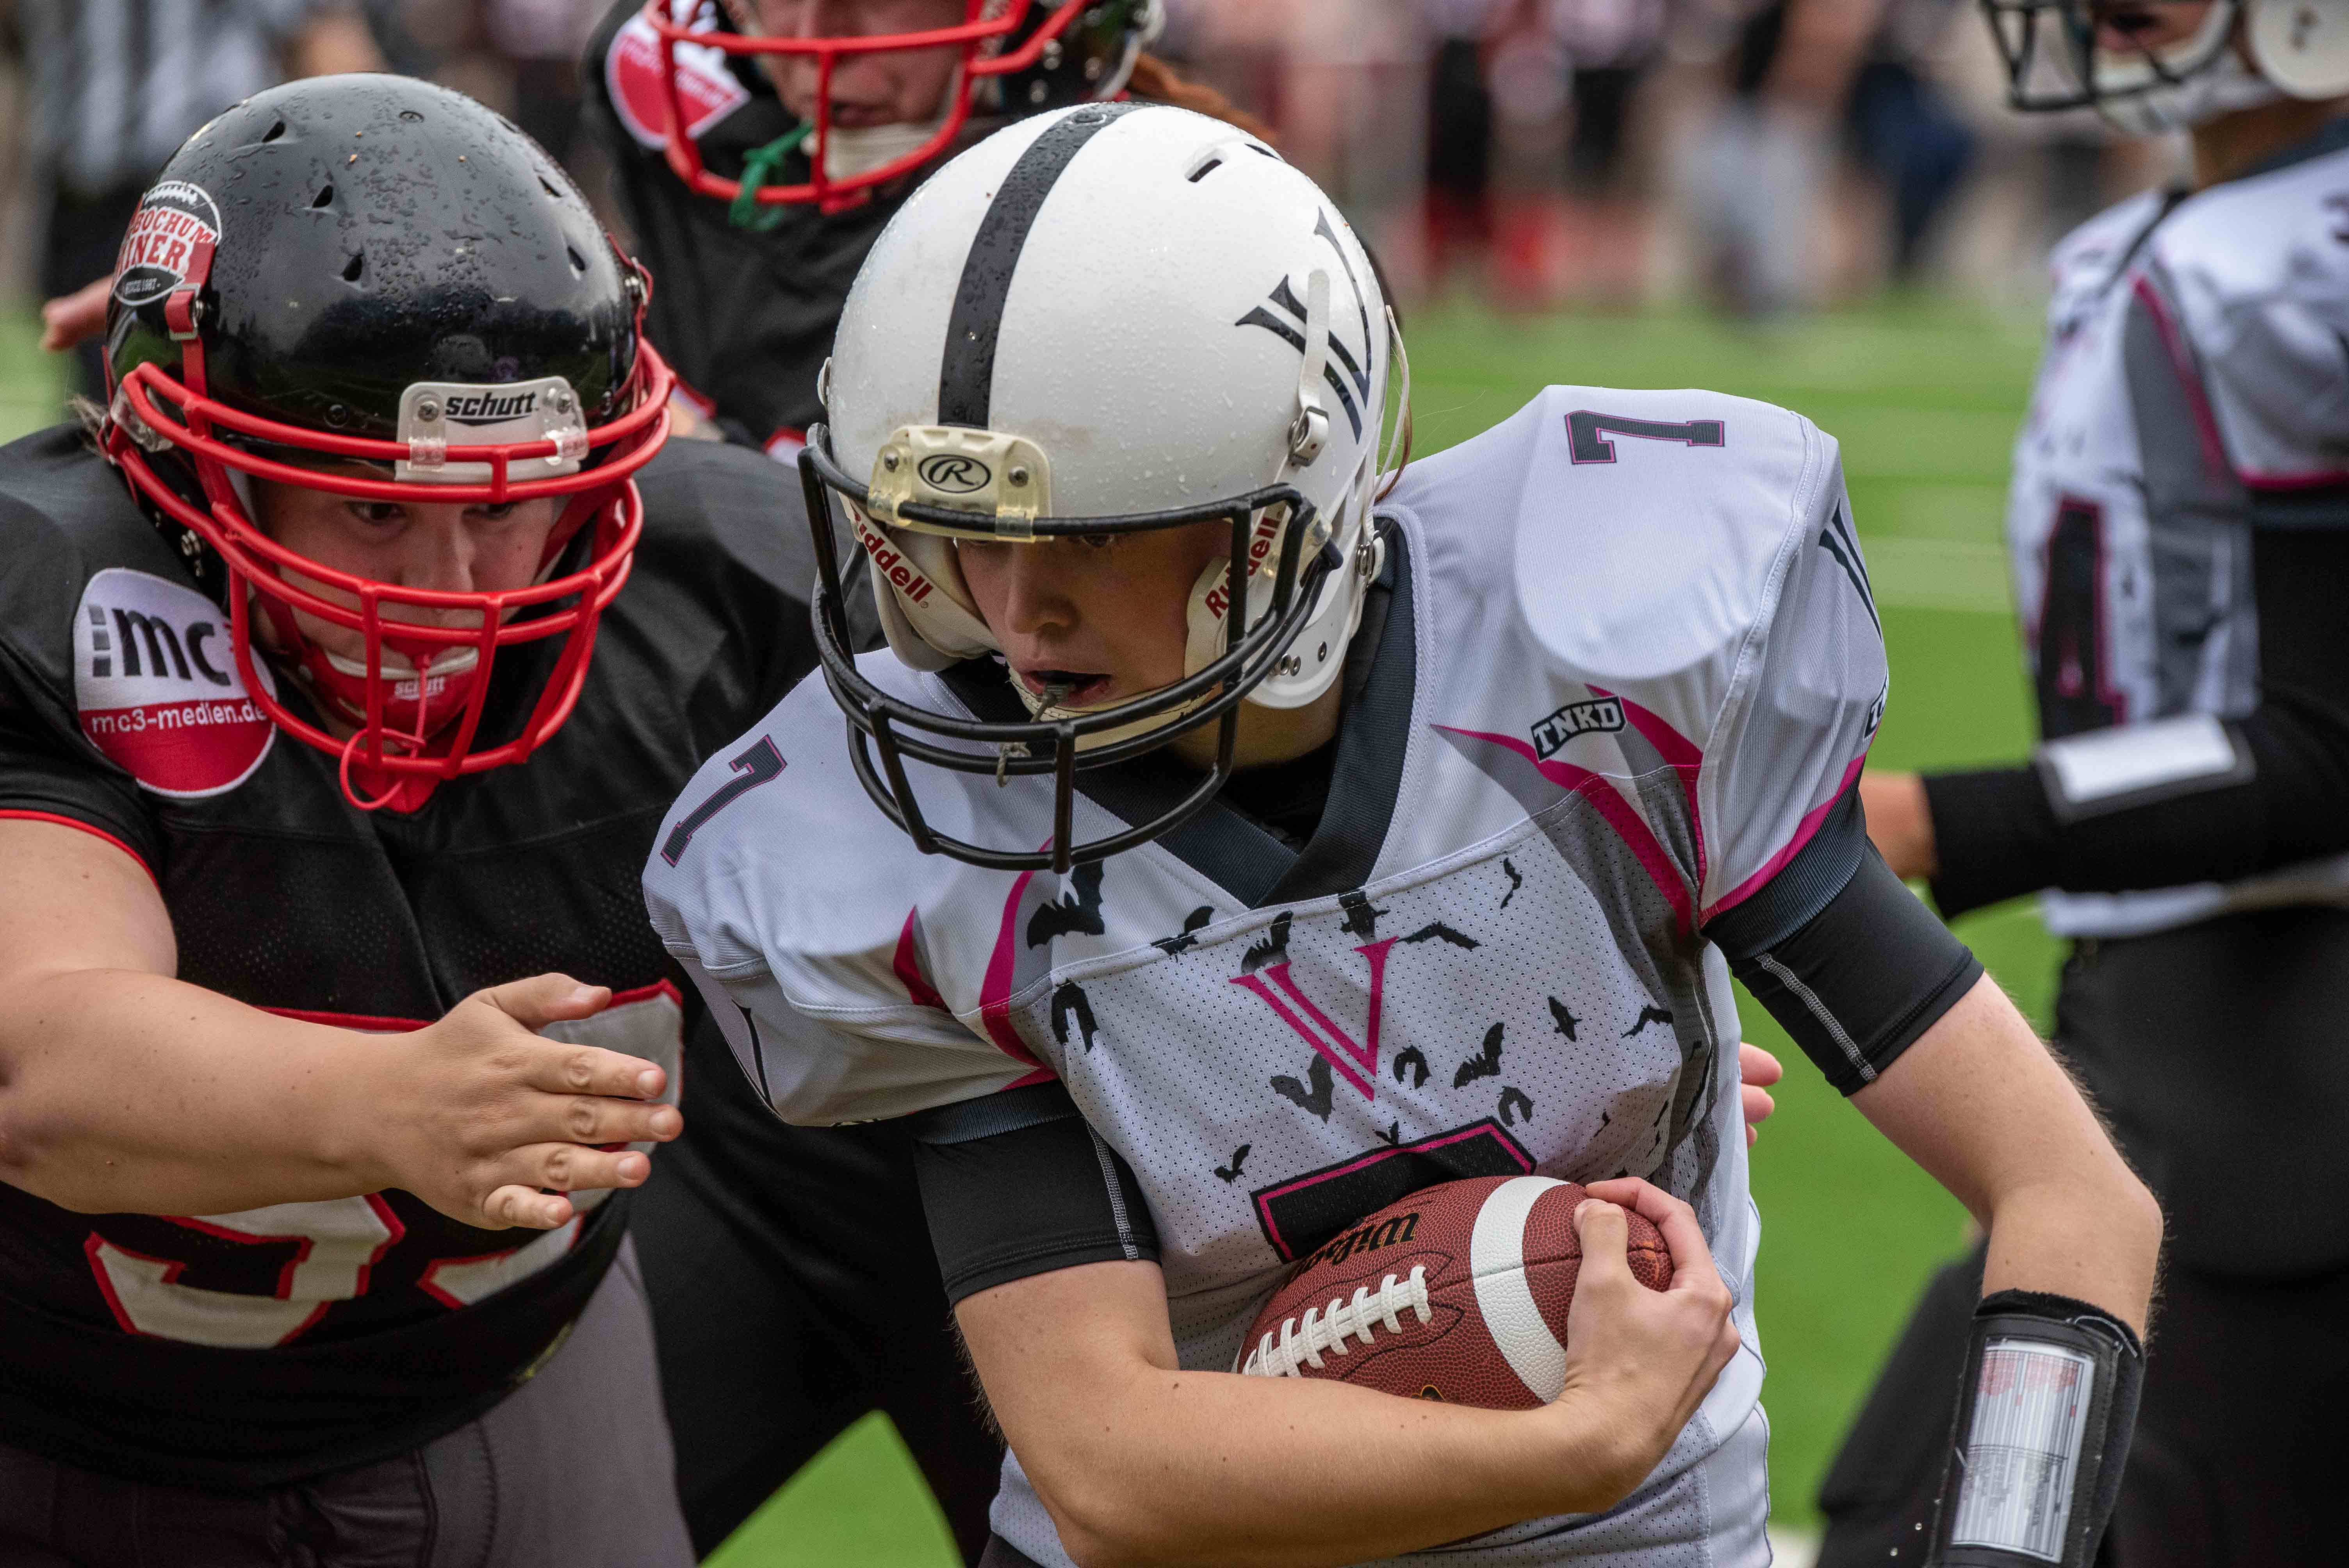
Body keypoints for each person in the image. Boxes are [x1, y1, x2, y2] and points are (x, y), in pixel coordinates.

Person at [646, 102, 2161, 1568]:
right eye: (956, 540)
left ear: (1293, 498)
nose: (1010, 615)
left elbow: (2068, 1194)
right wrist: (1576, 1440)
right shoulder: (904, 836)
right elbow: (1100, 1454)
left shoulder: (1593, 658)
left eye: (1083, 541)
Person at [0, 72, 845, 1566]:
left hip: (505, 1382)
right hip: (57, 1421)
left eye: (505, 500)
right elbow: (39, 1061)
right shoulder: (58, 594)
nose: (456, 592)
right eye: (374, 510)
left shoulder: (718, 582)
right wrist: (396, 1109)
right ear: (186, 466)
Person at [580, 3, 1276, 1553]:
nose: (820, 38)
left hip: (1077, 1083)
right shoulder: (686, 141)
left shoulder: (1171, 228)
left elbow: (1270, 688)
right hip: (778, 1067)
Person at [1821, 5, 2349, 1563]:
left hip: (2279, 1064)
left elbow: (2330, 744)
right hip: (2186, 1038)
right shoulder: (2190, 233)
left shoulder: (2301, 263)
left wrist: (1923, 819)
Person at [12, 0, 385, 406]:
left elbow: (325, 39)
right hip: (75, 194)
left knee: (192, 411)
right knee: (109, 409)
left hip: (207, 199)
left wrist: (375, 189)